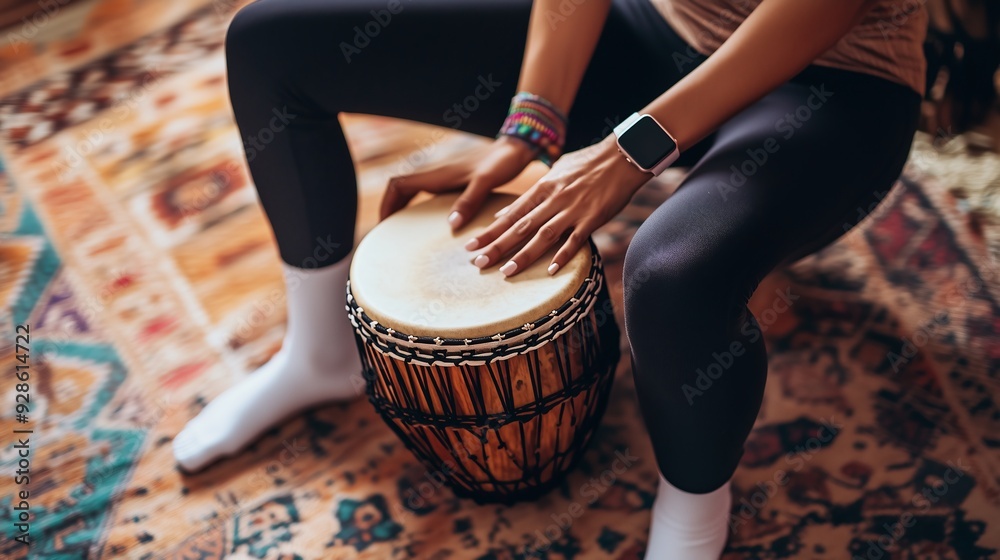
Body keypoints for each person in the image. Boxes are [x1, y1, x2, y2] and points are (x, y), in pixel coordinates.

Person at [172, 0, 926, 557]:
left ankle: (694, 505)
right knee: (272, 45)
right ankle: (319, 356)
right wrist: (531, 128)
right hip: (657, 29)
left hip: (832, 84)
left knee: (670, 272)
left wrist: (627, 152)